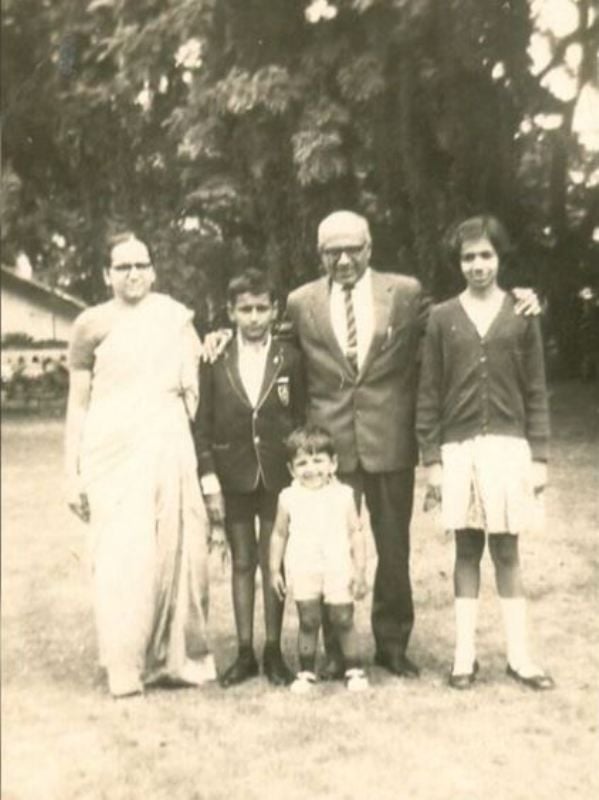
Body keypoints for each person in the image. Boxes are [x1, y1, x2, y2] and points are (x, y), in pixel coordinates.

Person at [65, 232, 216, 698]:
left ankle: (178, 658)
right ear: (106, 274)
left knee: (179, 547)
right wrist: (72, 473)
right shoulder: (90, 324)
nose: (133, 274)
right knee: (121, 554)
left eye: (141, 265)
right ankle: (125, 663)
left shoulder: (174, 317)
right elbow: (78, 404)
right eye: (123, 266)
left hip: (169, 440)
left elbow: (198, 382)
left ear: (153, 270)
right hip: (110, 448)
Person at [416, 215, 554, 690]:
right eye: (468, 257)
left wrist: (539, 456)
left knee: (508, 550)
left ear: (500, 258)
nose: (477, 265)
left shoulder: (522, 313)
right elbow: (428, 393)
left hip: (508, 447)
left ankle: (520, 656)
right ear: (458, 263)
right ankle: (463, 657)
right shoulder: (440, 317)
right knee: (467, 549)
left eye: (486, 255)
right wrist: (431, 460)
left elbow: (535, 389)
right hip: (459, 448)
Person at [194, 269, 306, 687]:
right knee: (242, 562)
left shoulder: (290, 358)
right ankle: (244, 652)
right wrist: (209, 480)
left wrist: (300, 471)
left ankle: (274, 650)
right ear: (231, 312)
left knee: (272, 560)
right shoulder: (215, 357)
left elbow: (301, 416)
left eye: (262, 308)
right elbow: (202, 424)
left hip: (279, 476)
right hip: (232, 474)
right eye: (246, 309)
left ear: (275, 310)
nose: (254, 317)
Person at [269, 425, 369, 693]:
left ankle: (354, 669)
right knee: (309, 619)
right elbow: (278, 534)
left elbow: (356, 533)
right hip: (304, 566)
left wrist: (360, 570)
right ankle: (306, 672)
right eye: (302, 463)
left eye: (318, 460)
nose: (310, 469)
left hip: (337, 565)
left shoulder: (343, 495)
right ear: (291, 469)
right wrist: (273, 570)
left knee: (343, 617)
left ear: (333, 463)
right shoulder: (288, 497)